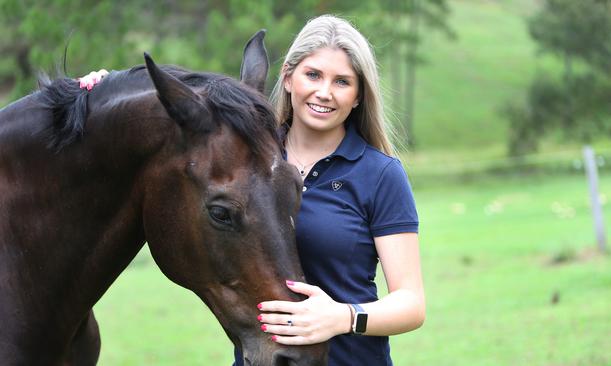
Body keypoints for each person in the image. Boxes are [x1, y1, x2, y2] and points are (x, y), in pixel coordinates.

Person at [78, 14, 424, 366]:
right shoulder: (248, 160)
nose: (325, 92)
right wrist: (108, 93)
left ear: (358, 96)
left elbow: (411, 303)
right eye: (313, 75)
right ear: (288, 77)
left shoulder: (379, 174)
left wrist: (343, 317)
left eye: (342, 82)